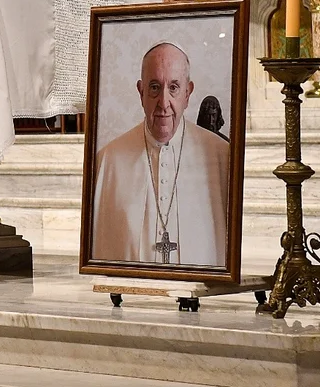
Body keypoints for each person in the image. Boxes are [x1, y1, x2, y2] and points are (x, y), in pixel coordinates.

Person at [92, 42, 229, 267]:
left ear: (188, 93)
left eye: (173, 87)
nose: (164, 103)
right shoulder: (108, 161)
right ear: (141, 92)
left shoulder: (221, 156)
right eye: (155, 87)